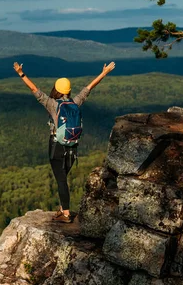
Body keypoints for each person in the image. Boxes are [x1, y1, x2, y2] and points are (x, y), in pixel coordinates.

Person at [13, 61, 116, 223]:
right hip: (72, 147)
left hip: (57, 147)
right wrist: (103, 73)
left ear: (56, 89)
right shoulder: (75, 102)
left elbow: (34, 90)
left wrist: (21, 73)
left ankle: (66, 213)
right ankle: (63, 208)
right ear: (68, 91)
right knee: (63, 178)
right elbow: (89, 88)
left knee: (61, 180)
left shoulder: (53, 105)